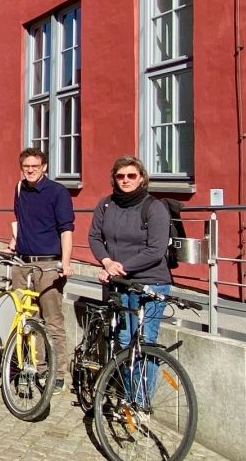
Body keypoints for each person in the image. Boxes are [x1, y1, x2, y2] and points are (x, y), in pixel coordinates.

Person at [88, 155, 172, 346]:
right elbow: (94, 236)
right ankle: (127, 378)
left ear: (141, 178)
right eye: (120, 176)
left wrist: (117, 268)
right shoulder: (106, 204)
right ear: (114, 179)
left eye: (131, 176)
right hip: (120, 283)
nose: (125, 180)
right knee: (124, 340)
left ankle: (143, 378)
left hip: (150, 282)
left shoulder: (154, 207)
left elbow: (156, 250)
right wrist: (106, 261)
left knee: (145, 341)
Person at [9, 147, 74, 393]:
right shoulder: (19, 188)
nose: (31, 170)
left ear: (44, 167)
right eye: (26, 166)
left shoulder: (57, 192)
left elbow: (66, 229)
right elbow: (20, 218)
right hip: (22, 264)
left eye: (35, 166)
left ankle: (58, 373)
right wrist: (16, 241)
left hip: (48, 264)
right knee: (26, 320)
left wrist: (65, 262)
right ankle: (35, 366)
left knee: (53, 321)